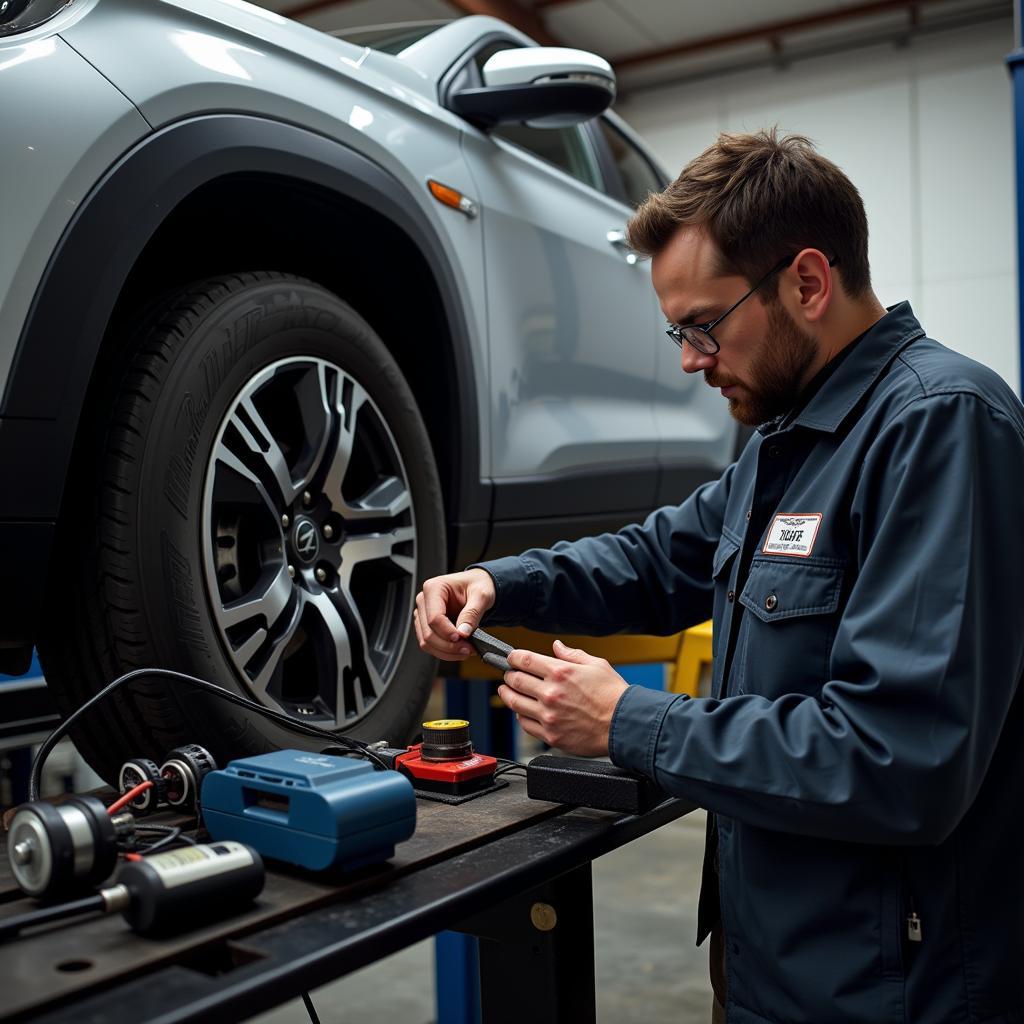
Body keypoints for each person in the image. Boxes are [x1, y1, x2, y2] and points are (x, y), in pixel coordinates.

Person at [413, 130, 1024, 1024]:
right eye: (679, 332)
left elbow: (900, 762)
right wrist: (501, 582)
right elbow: (658, 557)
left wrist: (631, 721)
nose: (692, 360)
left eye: (704, 326)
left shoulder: (940, 427)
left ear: (807, 284)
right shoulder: (787, 446)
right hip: (768, 970)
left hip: (891, 994)